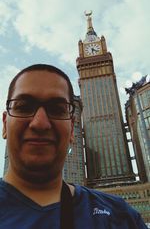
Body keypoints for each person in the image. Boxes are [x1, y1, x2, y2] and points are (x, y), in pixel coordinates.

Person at [0, 64, 148, 229]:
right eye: (24, 107)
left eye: (57, 109)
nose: (40, 123)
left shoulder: (120, 217)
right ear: (5, 125)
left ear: (72, 129)